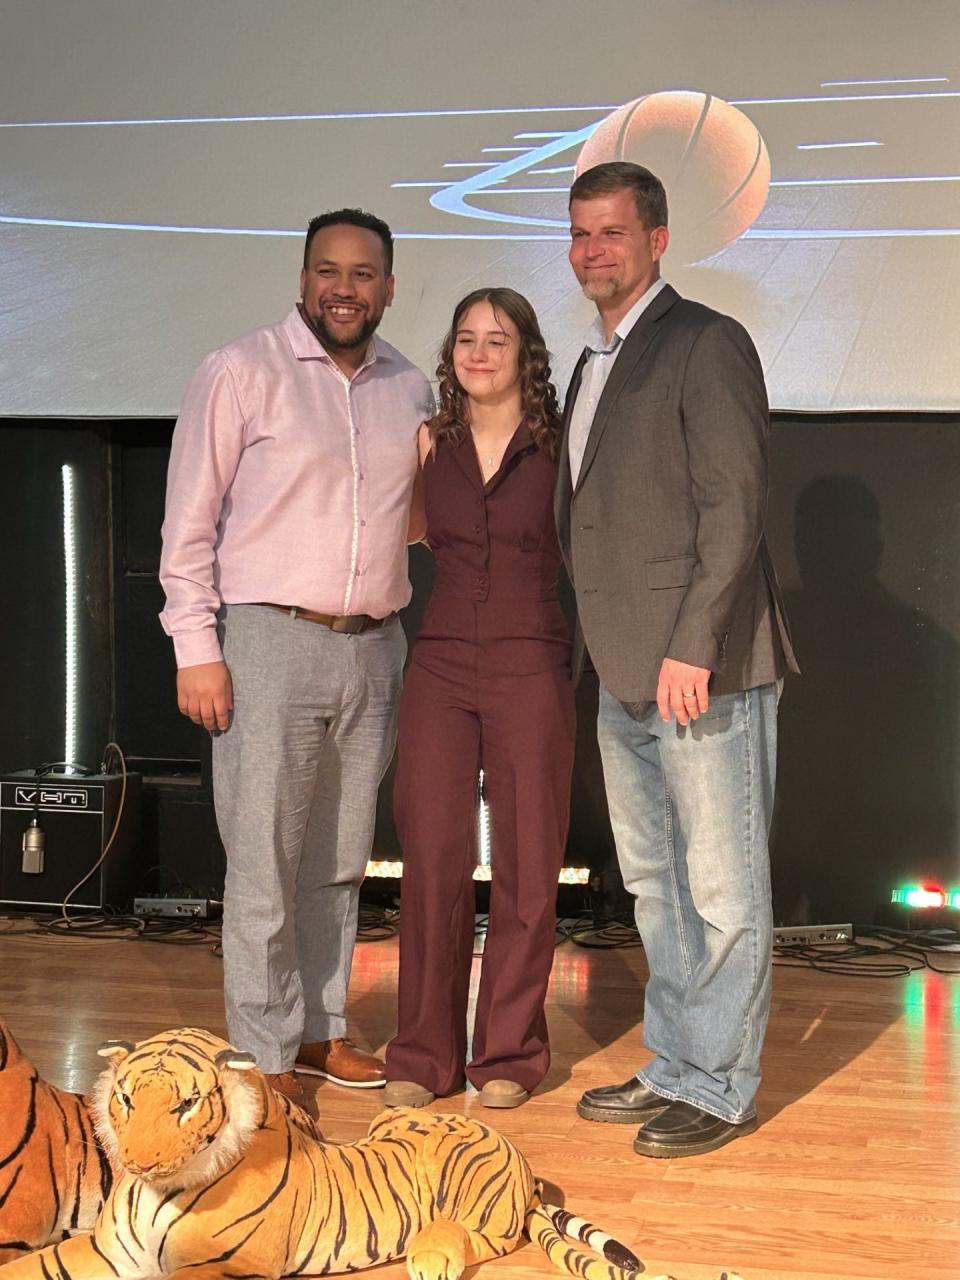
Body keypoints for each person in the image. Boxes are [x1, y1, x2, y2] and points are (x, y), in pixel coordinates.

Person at [159, 208, 435, 1105]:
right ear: (303, 278)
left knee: (340, 857)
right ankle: (264, 1054)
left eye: (363, 274)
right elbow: (188, 523)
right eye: (328, 270)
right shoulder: (240, 371)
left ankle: (321, 1030)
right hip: (267, 640)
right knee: (264, 859)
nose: (344, 289)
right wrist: (196, 647)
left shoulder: (411, 388)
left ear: (389, 289)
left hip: (374, 649)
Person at [556, 162, 799, 1157]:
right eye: (580, 234)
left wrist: (691, 644)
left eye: (612, 233)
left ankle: (723, 1085)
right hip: (623, 670)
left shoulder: (706, 341)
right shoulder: (590, 361)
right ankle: (679, 1060)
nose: (593, 251)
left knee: (725, 891)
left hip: (704, 669)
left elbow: (733, 507)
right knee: (657, 888)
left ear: (657, 239)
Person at [383, 288, 575, 1110]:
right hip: (440, 665)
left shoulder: (561, 444)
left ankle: (508, 1055)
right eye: (466, 338)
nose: (479, 352)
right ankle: (424, 1056)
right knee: (430, 859)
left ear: (525, 351)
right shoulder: (432, 440)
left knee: (530, 865)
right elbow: (402, 533)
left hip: (532, 658)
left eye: (497, 338)